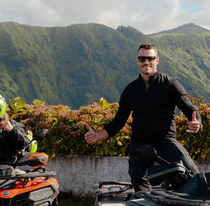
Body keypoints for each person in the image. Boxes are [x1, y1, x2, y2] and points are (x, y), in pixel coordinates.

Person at [84, 43, 202, 191]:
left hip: (166, 140)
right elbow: (117, 122)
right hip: (140, 143)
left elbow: (189, 108)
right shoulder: (130, 90)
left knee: (193, 175)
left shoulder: (171, 84)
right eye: (142, 58)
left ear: (157, 60)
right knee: (139, 184)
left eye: (150, 58)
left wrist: (196, 122)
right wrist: (97, 136)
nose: (146, 62)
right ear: (137, 61)